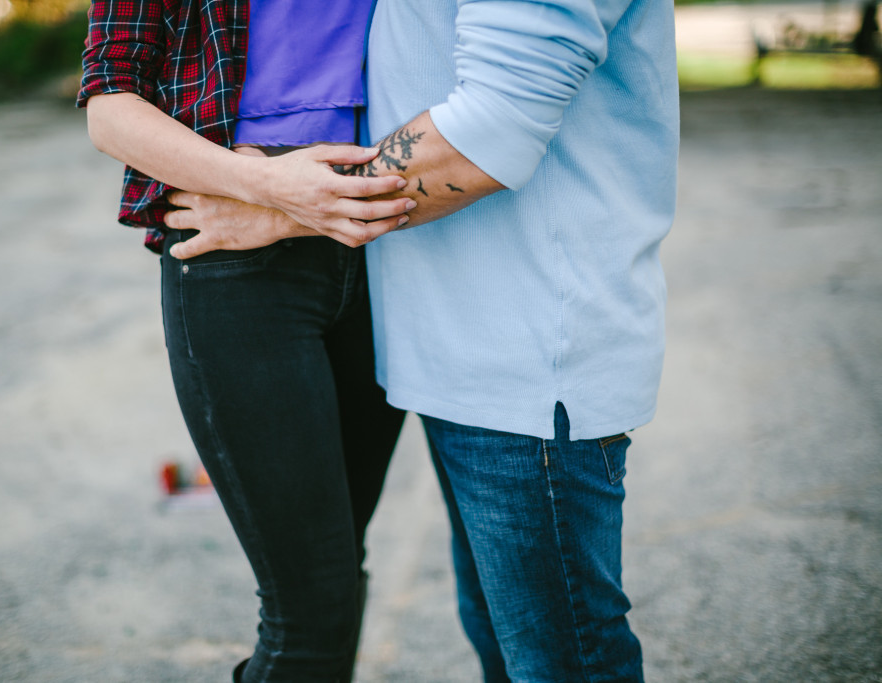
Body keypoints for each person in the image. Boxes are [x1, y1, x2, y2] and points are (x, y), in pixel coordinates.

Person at [168, 0, 679, 680]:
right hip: (468, 354)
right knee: (512, 649)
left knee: (562, 663)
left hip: (527, 358)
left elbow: (492, 125)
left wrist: (278, 207)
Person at [78, 2, 412, 681]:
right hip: (235, 238)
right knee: (307, 616)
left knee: (340, 566)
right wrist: (271, 188)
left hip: (385, 241)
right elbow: (109, 104)